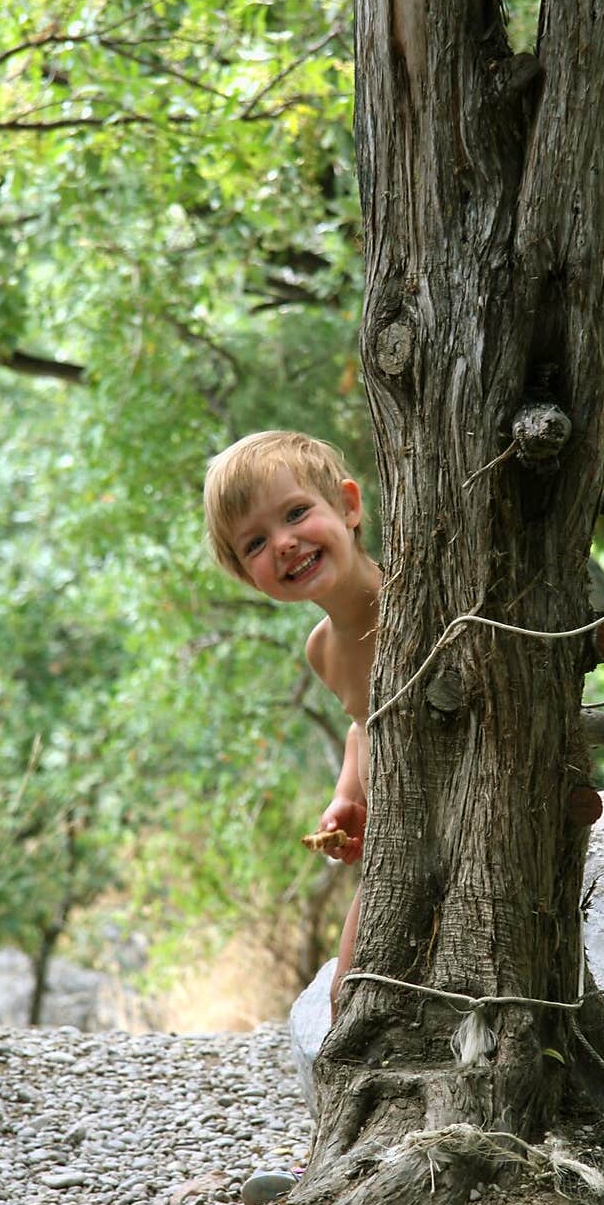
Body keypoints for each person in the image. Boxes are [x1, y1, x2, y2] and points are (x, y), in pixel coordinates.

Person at [204, 430, 381, 1022]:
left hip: (472, 825)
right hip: (397, 847)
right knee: (348, 995)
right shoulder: (323, 651)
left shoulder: (414, 602)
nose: (284, 543)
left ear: (349, 507)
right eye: (255, 542)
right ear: (248, 575)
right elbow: (366, 726)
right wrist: (347, 794)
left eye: (297, 512)